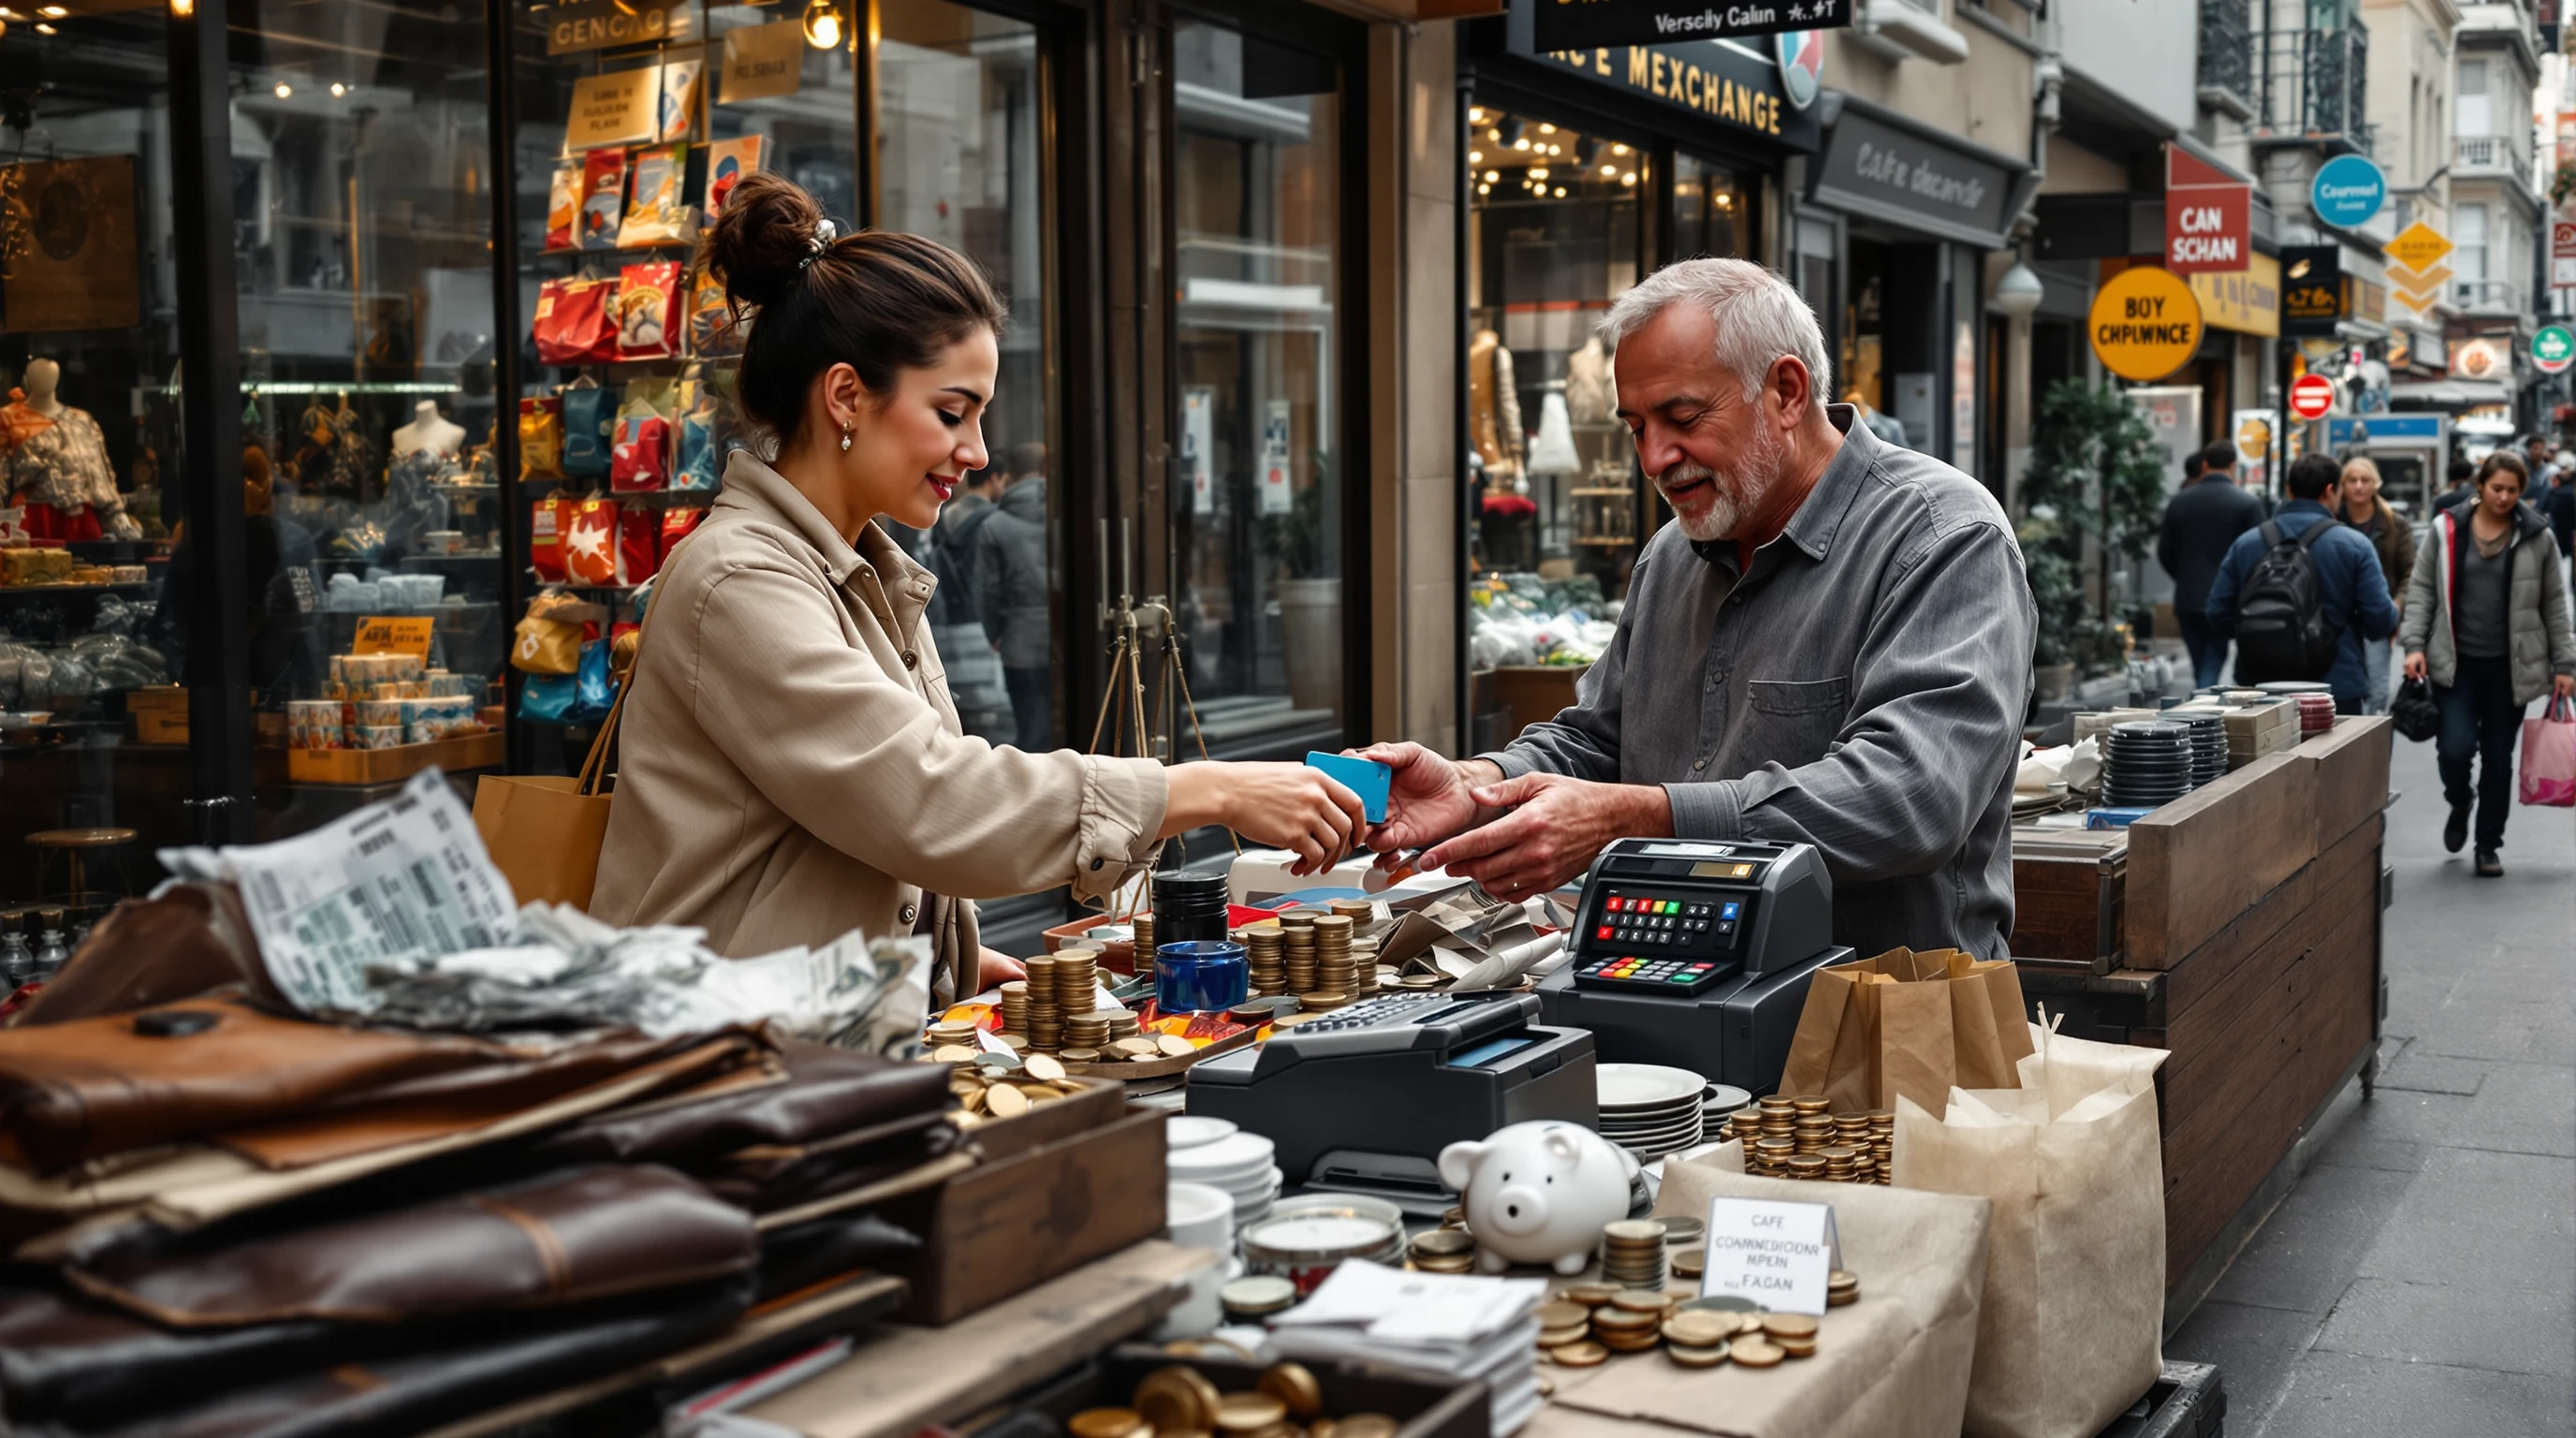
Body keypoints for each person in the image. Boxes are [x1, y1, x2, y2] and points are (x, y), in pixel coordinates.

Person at [592, 174, 1366, 1009]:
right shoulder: (741, 576)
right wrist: (1210, 789)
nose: (978, 452)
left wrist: (942, 960)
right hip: (720, 1069)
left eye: (981, 415)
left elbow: (864, 831)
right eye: (953, 412)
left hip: (811, 1045)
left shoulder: (859, 569)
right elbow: (930, 801)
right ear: (847, 395)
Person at [1361, 258, 2036, 961]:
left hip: (1885, 1028)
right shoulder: (1673, 556)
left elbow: (1910, 799)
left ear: (1786, 392)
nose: (1654, 457)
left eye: (1682, 418)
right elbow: (1600, 742)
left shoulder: (1943, 538)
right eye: (1635, 427)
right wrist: (1477, 786)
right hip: (1672, 1005)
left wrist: (1642, 817)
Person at [2398, 451, 2576, 877]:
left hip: (2510, 669)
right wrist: (2413, 645)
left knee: (2499, 759)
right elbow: (2422, 590)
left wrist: (2564, 664)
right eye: (2497, 488)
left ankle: (2488, 846)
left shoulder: (2537, 536)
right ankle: (2460, 800)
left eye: (2514, 491)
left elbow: (2555, 603)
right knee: (2454, 750)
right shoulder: (2446, 530)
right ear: (2480, 486)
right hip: (2454, 665)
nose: (2505, 497)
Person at [2204, 452, 2397, 713]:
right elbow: (2380, 621)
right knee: (2335, 754)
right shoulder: (2354, 546)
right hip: (2335, 684)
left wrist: (2260, 634)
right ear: (2331, 491)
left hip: (2259, 685)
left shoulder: (2247, 543)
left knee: (2269, 755)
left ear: (2288, 489)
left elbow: (2217, 611)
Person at [2158, 440, 2267, 688]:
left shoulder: (2180, 502)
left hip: (2187, 595)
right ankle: (2201, 702)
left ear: (2204, 465)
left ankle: (2200, 699)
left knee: (2201, 663)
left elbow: (2165, 551)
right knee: (2214, 658)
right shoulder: (2246, 504)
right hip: (2227, 597)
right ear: (2233, 465)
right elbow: (2261, 552)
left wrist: (2183, 575)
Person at [974, 441, 1053, 752]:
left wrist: (996, 634)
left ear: (1009, 475)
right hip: (1066, 640)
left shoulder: (994, 525)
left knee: (1031, 731)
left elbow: (986, 591)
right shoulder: (1066, 516)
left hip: (1019, 642)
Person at [2336, 456, 2416, 714]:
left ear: (2376, 484)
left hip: (2377, 615)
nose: (2359, 486)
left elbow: (2410, 571)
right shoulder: (2333, 519)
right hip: (2339, 619)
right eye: (2352, 480)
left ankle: (2370, 748)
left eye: (2365, 480)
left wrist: (2397, 604)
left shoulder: (2394, 523)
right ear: (2342, 485)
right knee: (2340, 691)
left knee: (2378, 692)